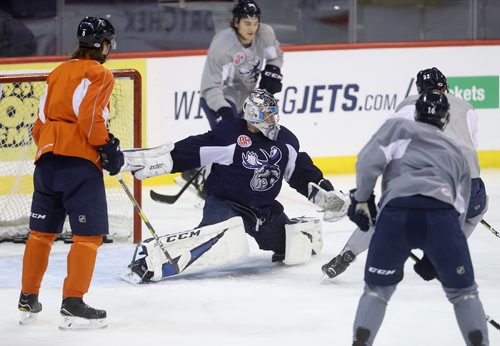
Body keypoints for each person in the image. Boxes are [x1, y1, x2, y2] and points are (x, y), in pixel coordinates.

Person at [121, 89, 350, 282]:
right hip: (226, 205)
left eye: (273, 115)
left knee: (293, 247)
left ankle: (294, 234)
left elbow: (299, 170)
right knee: (211, 241)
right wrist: (161, 161)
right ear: (253, 117)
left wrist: (323, 190)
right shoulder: (230, 135)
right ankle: (148, 263)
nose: (273, 121)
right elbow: (195, 149)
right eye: (267, 116)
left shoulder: (285, 140)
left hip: (264, 210)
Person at [348, 90, 489, 346]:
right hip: (442, 220)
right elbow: (461, 207)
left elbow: (368, 161)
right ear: (446, 119)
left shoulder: (398, 128)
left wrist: (362, 198)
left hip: (396, 216)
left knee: (377, 292)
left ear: (415, 113)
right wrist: (438, 257)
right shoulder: (457, 152)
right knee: (464, 294)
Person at [322, 67, 488, 280]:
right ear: (445, 86)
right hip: (470, 186)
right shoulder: (466, 107)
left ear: (419, 89)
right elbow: (471, 145)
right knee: (475, 213)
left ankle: (346, 255)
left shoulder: (412, 104)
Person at [18, 17, 124, 330]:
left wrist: (58, 144)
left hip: (46, 162)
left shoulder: (57, 72)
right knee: (88, 236)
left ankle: (28, 296)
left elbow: (39, 126)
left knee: (41, 234)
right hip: (78, 167)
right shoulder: (99, 73)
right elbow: (91, 121)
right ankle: (73, 301)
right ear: (103, 45)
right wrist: (106, 147)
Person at [177, 0, 284, 195]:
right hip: (219, 98)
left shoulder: (265, 34)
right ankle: (206, 180)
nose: (252, 28)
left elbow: (275, 55)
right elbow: (210, 87)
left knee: (250, 140)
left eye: (255, 23)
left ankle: (199, 172)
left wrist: (273, 69)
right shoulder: (223, 46)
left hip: (247, 98)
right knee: (228, 141)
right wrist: (224, 111)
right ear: (236, 22)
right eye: (247, 23)